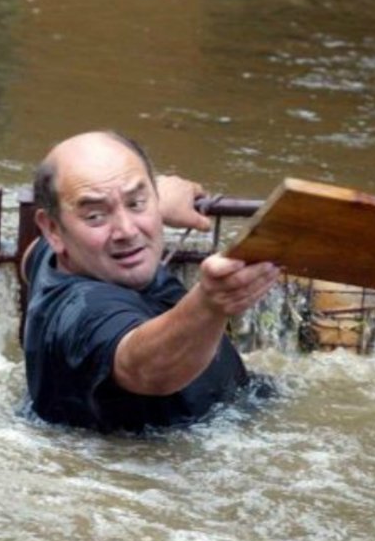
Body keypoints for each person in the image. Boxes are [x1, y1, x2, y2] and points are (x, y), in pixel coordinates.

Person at [21, 130, 280, 433]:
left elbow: (29, 253)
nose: (127, 231)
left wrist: (154, 203)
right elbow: (144, 368)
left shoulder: (54, 256)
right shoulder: (82, 313)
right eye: (95, 216)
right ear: (53, 230)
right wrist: (209, 304)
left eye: (136, 203)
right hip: (170, 461)